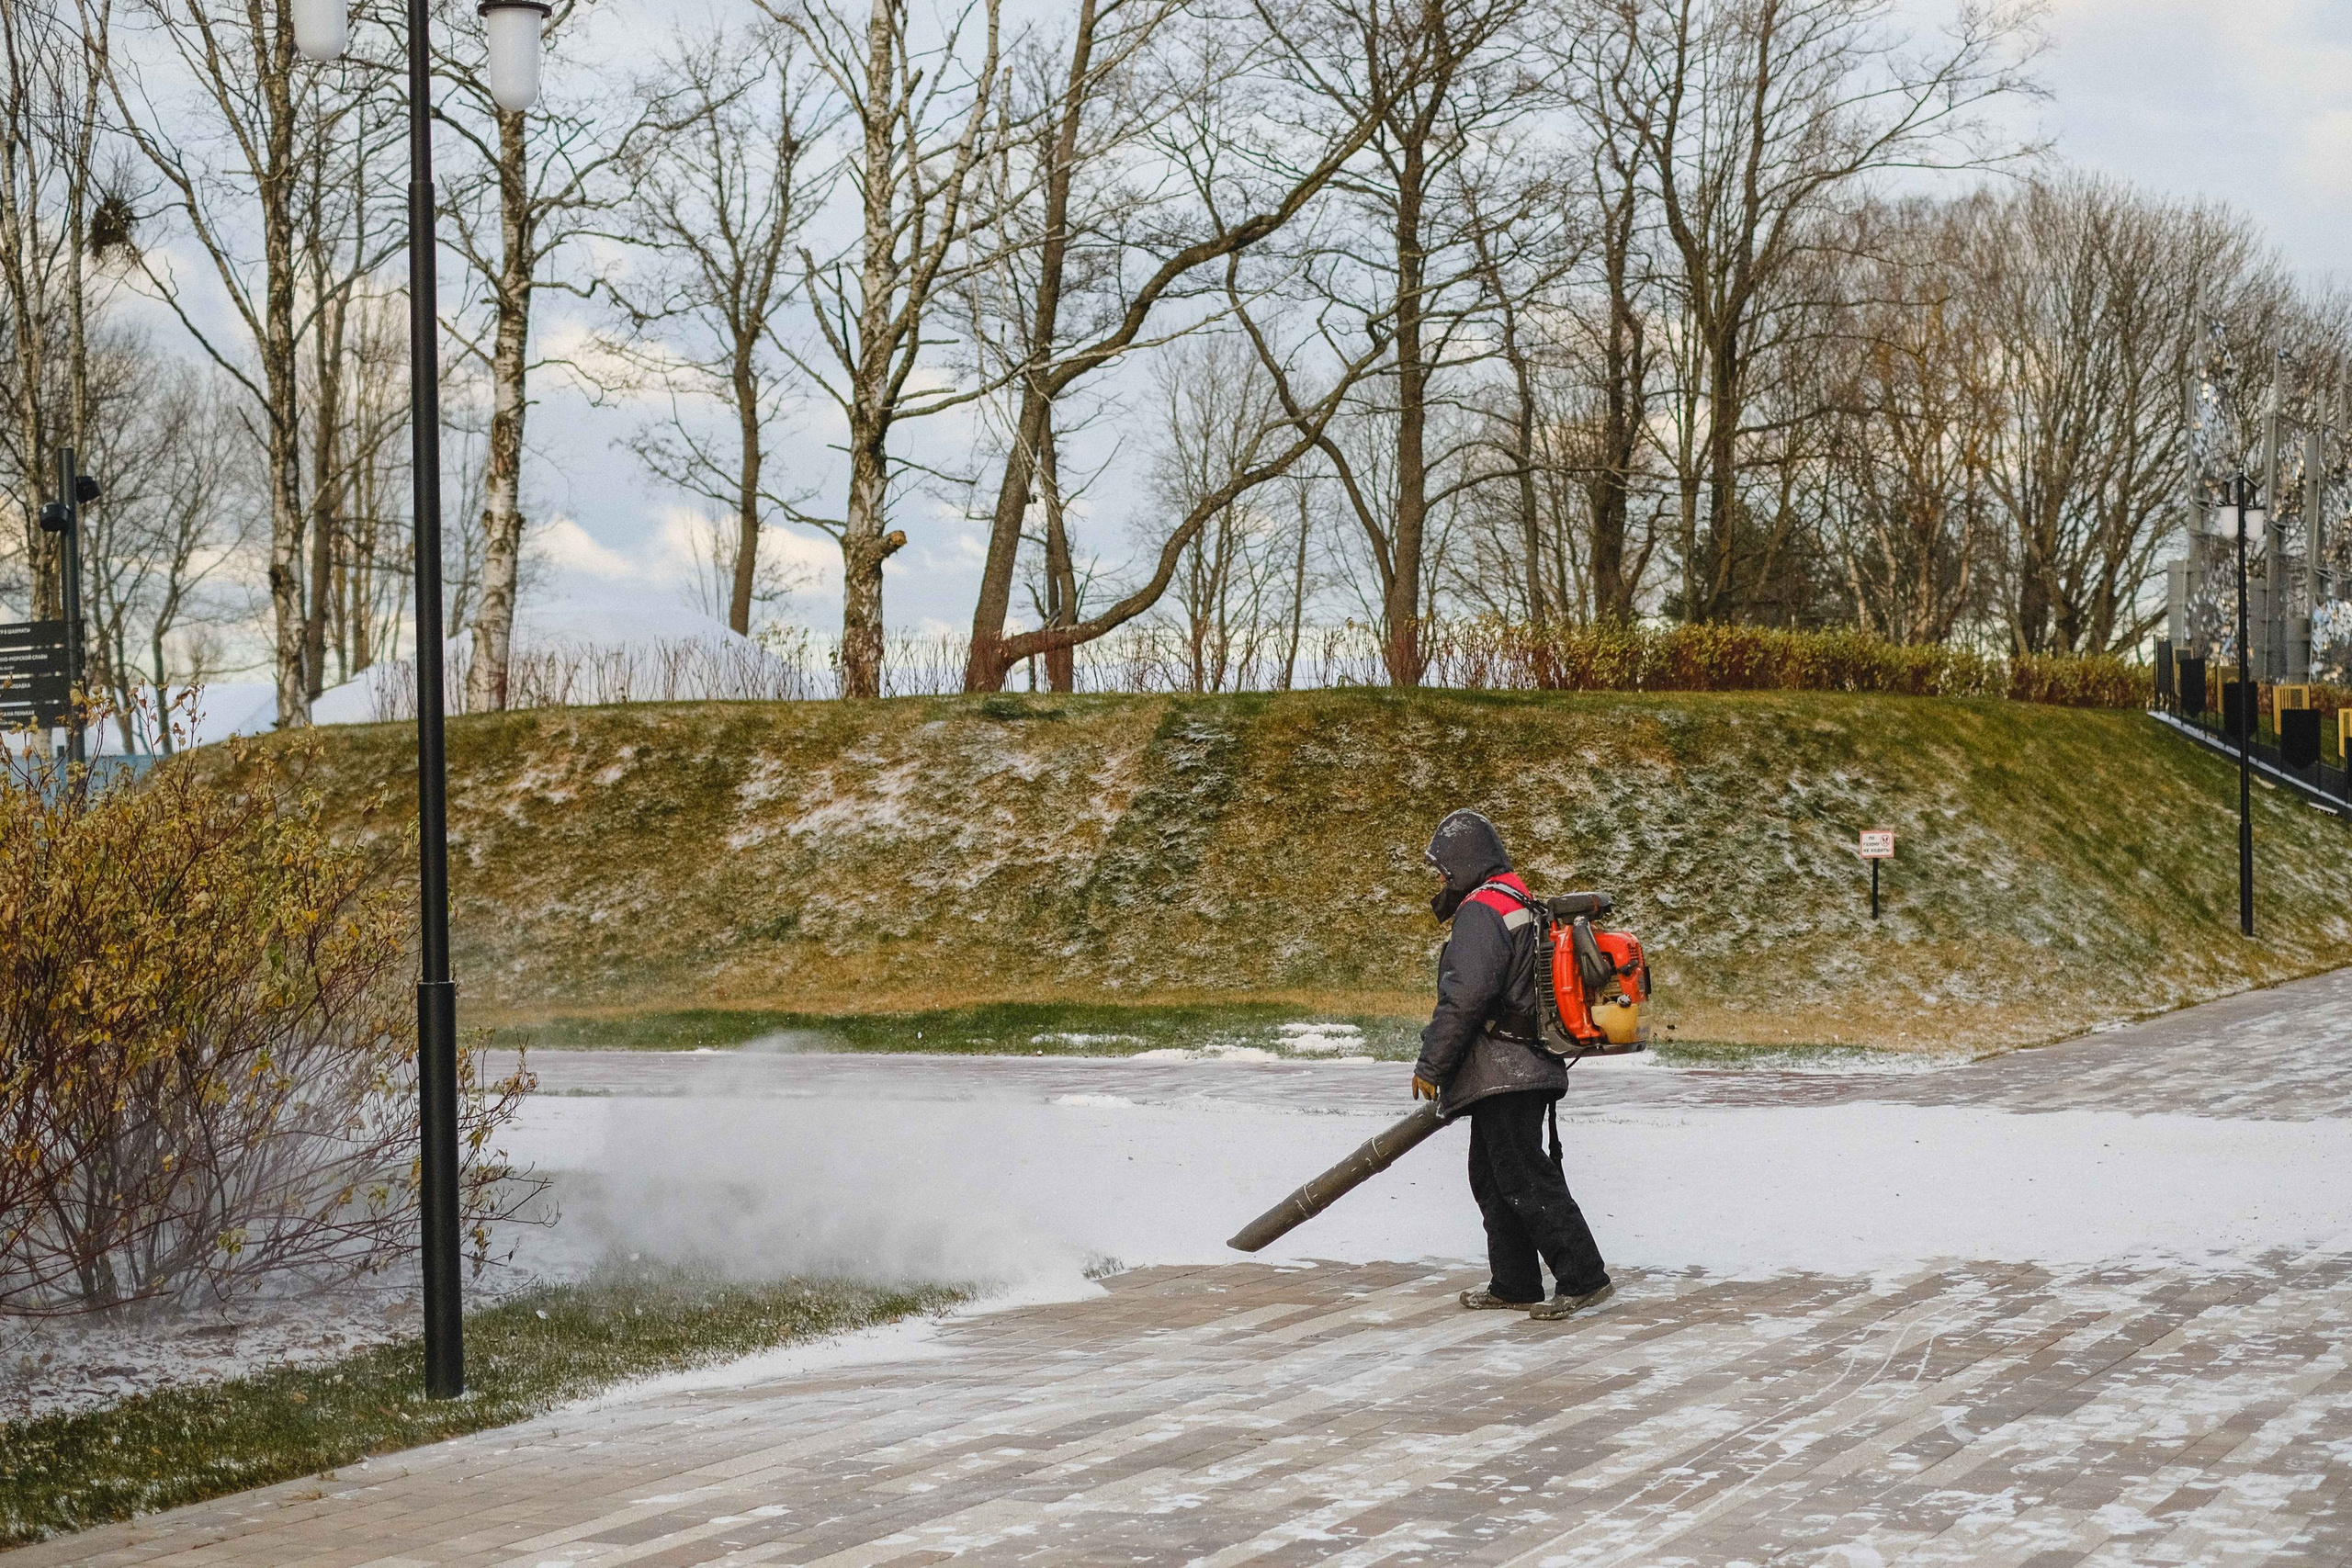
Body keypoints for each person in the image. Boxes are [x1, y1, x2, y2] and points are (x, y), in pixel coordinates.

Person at [1410, 808, 1613, 1320]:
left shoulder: (1483, 910)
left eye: (1443, 869)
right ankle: (1515, 1282)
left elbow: (1466, 996)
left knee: (1523, 1176)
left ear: (1464, 862)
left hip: (1507, 1069)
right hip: (1521, 1064)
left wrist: (1432, 1064)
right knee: (1493, 1174)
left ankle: (1584, 1276)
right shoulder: (1518, 898)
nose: (1440, 879)